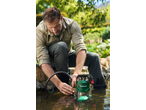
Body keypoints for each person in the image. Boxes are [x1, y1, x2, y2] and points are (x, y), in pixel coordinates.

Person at [36, 7, 106, 95]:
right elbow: (43, 62)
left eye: (57, 26)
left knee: (94, 57)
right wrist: (59, 84)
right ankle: (64, 86)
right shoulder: (39, 31)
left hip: (66, 55)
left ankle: (100, 92)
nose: (54, 30)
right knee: (61, 46)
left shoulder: (72, 25)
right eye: (51, 28)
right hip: (50, 61)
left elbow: (81, 48)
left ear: (61, 18)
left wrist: (77, 73)